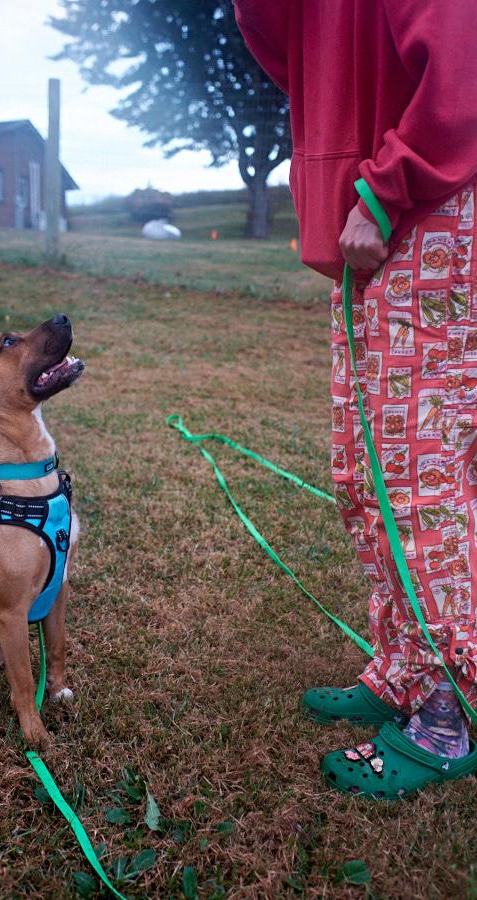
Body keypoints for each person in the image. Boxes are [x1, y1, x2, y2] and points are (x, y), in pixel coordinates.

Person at [235, 0, 477, 798]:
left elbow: (462, 58)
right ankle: (408, 667)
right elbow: (294, 63)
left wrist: (389, 179)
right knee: (364, 471)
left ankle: (455, 706)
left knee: (422, 480)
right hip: (375, 217)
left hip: (437, 202)